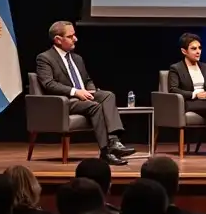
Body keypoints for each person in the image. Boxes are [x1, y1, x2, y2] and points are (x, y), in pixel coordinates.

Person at [35, 20, 134, 165]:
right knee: (95, 106)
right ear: (58, 39)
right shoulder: (45, 58)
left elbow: (87, 80)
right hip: (63, 102)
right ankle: (105, 152)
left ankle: (113, 140)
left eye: (74, 35)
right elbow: (48, 84)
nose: (75, 39)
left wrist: (91, 89)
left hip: (82, 96)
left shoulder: (77, 58)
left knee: (108, 95)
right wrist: (75, 92)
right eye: (70, 36)